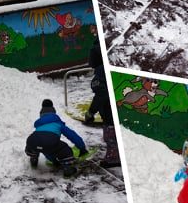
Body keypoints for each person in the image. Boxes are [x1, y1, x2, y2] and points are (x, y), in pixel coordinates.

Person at [25, 98, 88, 177]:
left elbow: (45, 148)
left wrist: (54, 161)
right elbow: (72, 136)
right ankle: (68, 168)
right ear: (54, 113)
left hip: (31, 142)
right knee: (65, 149)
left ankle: (34, 158)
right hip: (49, 143)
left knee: (39, 144)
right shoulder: (58, 123)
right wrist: (82, 148)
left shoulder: (39, 126)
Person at [83, 38, 120, 168]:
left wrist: (91, 112)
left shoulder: (100, 72)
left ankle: (113, 158)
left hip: (110, 113)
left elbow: (101, 95)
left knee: (111, 136)